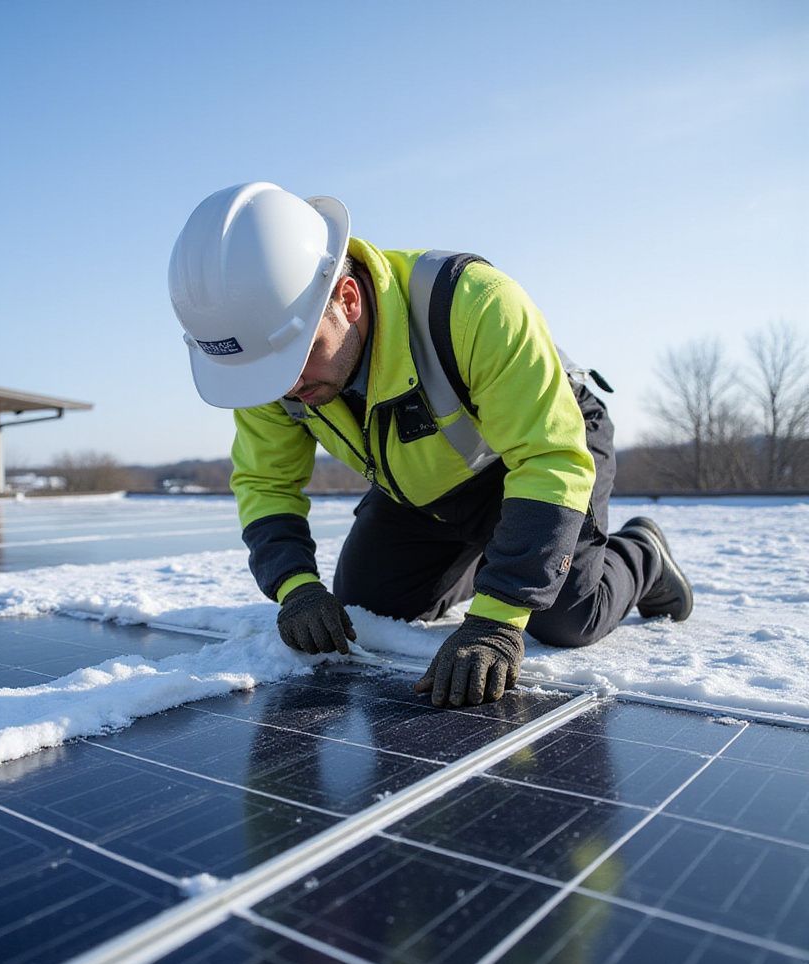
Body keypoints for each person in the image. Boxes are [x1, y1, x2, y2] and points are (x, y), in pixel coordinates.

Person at [167, 182, 693, 707]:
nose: (286, 389)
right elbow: (266, 482)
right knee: (368, 609)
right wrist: (295, 585)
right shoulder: (271, 366)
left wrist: (497, 616)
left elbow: (547, 456)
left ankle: (642, 552)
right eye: (268, 373)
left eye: (300, 359)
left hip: (536, 452)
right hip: (423, 485)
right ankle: (494, 551)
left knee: (565, 617)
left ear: (347, 300)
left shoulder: (471, 303)